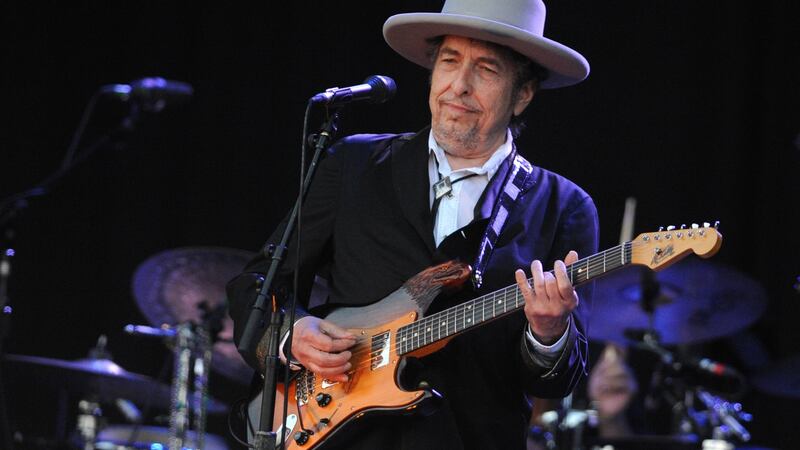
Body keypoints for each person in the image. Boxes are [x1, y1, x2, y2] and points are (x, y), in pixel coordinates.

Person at [226, 0, 599, 449]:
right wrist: (293, 334)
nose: (459, 86)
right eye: (449, 62)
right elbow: (258, 284)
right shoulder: (353, 163)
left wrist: (549, 332)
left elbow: (559, 378)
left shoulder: (564, 206)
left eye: (486, 70)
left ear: (523, 94)